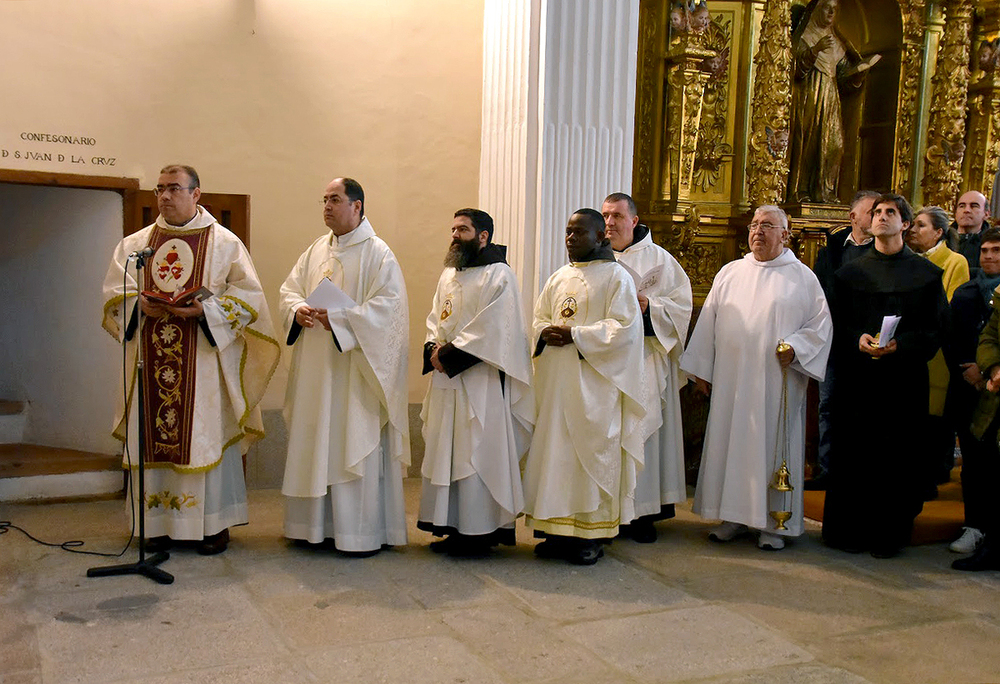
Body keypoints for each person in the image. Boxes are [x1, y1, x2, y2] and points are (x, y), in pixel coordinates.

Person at [101, 164, 280, 555]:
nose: (165, 196)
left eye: (174, 189)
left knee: (204, 437)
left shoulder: (225, 244)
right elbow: (115, 294)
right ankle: (156, 524)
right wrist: (137, 306)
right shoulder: (135, 246)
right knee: (153, 433)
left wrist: (207, 313)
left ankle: (211, 526)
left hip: (201, 363)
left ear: (196, 194)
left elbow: (250, 299)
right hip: (150, 360)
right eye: (160, 189)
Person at [681, 205, 832, 551]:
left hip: (775, 383)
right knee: (730, 444)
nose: (758, 232)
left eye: (767, 226)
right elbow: (709, 323)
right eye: (754, 225)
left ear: (785, 234)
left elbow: (820, 326)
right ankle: (732, 516)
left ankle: (773, 525)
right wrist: (702, 370)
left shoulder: (802, 278)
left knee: (770, 446)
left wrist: (795, 348)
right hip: (732, 381)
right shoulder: (731, 273)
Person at [279, 177, 410, 556]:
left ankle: (357, 533)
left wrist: (339, 318)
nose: (326, 206)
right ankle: (310, 528)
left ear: (357, 205)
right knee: (317, 439)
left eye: (335, 199)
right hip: (317, 371)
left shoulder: (378, 254)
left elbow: (389, 311)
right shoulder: (316, 250)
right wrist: (297, 309)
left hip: (354, 372)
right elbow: (289, 290)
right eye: (323, 199)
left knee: (347, 439)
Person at [823, 193, 949, 558]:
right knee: (855, 453)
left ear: (905, 224)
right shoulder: (850, 273)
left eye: (890, 213)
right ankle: (849, 531)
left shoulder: (925, 274)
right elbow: (837, 323)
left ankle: (888, 534)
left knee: (896, 456)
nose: (880, 217)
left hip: (903, 381)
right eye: (876, 212)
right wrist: (857, 338)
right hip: (858, 378)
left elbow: (936, 329)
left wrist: (902, 346)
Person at [521, 208, 647, 565]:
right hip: (558, 386)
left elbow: (624, 330)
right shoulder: (559, 276)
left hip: (595, 389)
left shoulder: (616, 278)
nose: (571, 239)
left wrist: (575, 335)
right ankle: (557, 532)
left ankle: (590, 536)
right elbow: (540, 318)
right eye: (567, 232)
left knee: (588, 458)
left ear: (600, 238)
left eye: (579, 233)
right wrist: (544, 331)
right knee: (556, 458)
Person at [418, 208, 534, 557]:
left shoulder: (500, 275)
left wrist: (450, 355)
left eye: (463, 229)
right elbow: (435, 316)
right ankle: (451, 525)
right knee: (448, 451)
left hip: (479, 381)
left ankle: (478, 529)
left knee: (476, 451)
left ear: (483, 236)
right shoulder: (449, 273)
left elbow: (497, 326)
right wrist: (432, 347)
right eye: (453, 228)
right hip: (447, 382)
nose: (455, 235)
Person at [602, 192, 692, 543]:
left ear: (634, 221)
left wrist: (650, 306)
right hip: (608, 362)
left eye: (617, 216)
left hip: (646, 359)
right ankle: (608, 510)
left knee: (644, 431)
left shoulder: (661, 260)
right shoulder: (597, 258)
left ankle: (641, 514)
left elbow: (682, 308)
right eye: (606, 216)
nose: (610, 223)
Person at [809, 189, 879, 489]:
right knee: (829, 406)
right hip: (833, 343)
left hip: (869, 343)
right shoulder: (831, 250)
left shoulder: (883, 251)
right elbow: (817, 293)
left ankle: (860, 471)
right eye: (871, 212)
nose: (877, 217)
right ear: (853, 217)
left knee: (864, 409)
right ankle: (827, 469)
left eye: (881, 212)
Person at [907, 206, 969, 497]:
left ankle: (933, 475)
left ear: (939, 232)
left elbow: (952, 306)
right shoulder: (910, 261)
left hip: (938, 353)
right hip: (911, 348)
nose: (913, 230)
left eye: (920, 225)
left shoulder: (954, 262)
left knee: (935, 421)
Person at [946, 228, 1000, 557]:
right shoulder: (966, 292)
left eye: (997, 250)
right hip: (968, 385)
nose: (990, 256)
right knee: (974, 463)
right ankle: (974, 525)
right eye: (985, 251)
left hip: (995, 387)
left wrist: (987, 369)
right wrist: (969, 370)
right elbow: (950, 335)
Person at [786, 0, 871, 204]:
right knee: (808, 143)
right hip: (810, 95)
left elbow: (842, 75)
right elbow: (795, 68)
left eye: (835, 8)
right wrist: (815, 50)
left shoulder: (836, 40)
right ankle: (802, 191)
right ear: (816, 11)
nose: (832, 11)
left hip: (831, 96)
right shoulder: (805, 36)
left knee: (834, 144)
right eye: (827, 7)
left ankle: (825, 192)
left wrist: (858, 74)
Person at [953, 190, 991, 269]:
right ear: (955, 213)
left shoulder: (993, 242)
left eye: (974, 206)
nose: (966, 210)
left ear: (986, 214)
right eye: (962, 206)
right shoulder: (942, 238)